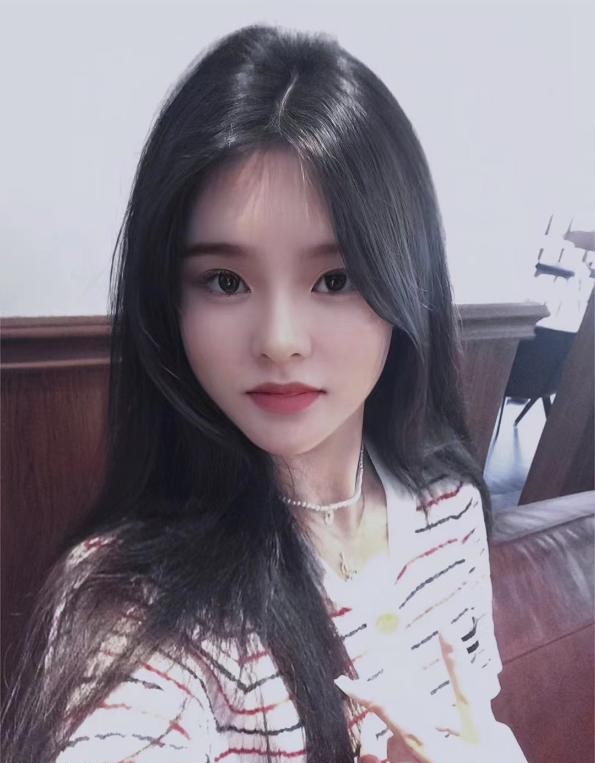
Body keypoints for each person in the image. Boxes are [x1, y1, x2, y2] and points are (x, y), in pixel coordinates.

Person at [4, 23, 528, 763]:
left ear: (404, 286)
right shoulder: (131, 600)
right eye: (225, 281)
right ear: (169, 301)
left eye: (335, 279)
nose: (279, 340)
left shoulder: (450, 507)